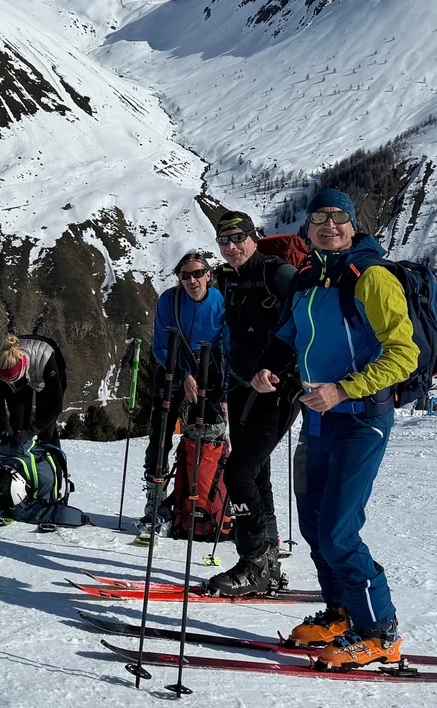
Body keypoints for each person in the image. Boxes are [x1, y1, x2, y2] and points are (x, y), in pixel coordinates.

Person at [251, 189, 418, 669]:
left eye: (338, 218)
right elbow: (288, 337)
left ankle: (380, 631)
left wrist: (344, 390)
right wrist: (270, 367)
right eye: (320, 218)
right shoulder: (307, 278)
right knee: (315, 526)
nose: (329, 226)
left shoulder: (372, 278)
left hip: (361, 420)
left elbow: (402, 354)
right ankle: (342, 613)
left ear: (353, 224)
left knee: (340, 530)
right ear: (308, 228)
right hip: (317, 420)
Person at [203, 211, 300, 595]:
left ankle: (254, 561)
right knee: (255, 473)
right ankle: (268, 558)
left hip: (278, 389)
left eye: (238, 238)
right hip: (242, 389)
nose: (231, 247)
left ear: (253, 237)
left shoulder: (276, 273)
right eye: (223, 241)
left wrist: (277, 368)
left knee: (238, 474)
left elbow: (306, 316)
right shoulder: (231, 280)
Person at [139, 249, 229, 539]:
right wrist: (184, 376)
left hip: (210, 373)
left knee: (207, 439)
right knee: (161, 435)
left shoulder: (221, 302)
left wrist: (225, 392)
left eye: (198, 273)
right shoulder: (169, 300)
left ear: (208, 275)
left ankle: (204, 503)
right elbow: (160, 346)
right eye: (185, 275)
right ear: (179, 279)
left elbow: (228, 348)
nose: (192, 280)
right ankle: (155, 504)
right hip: (173, 371)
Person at [0, 332, 66, 444]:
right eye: (6, 379)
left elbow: (56, 405)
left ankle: (51, 455)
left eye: (14, 378)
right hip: (25, 373)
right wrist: (4, 425)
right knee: (17, 428)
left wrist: (31, 432)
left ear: (23, 364)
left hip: (46, 367)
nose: (10, 382)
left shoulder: (45, 356)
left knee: (47, 432)